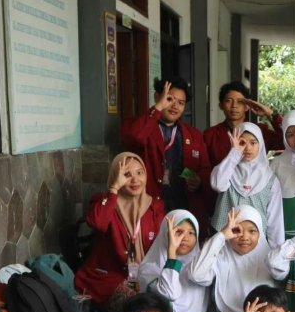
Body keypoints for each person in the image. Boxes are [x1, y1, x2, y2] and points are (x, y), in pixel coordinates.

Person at [76, 154, 166, 312]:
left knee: (167, 300)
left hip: (145, 274)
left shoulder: (155, 206)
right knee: (142, 307)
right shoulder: (104, 201)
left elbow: (160, 244)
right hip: (110, 277)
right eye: (127, 174)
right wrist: (114, 188)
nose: (135, 179)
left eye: (140, 172)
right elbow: (98, 223)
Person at [120, 77, 212, 221]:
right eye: (169, 99)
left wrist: (198, 179)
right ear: (157, 97)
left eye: (181, 103)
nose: (175, 106)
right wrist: (157, 108)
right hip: (149, 202)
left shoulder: (193, 134)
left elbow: (205, 168)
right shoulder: (139, 124)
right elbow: (134, 139)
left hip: (183, 202)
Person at [188, 205, 277, 312]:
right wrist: (221, 236)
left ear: (260, 233)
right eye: (236, 230)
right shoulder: (220, 258)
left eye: (252, 231)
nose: (244, 237)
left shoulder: (271, 261)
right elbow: (196, 275)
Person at [136, 210, 210, 312]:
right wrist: (171, 252)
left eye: (191, 233)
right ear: (166, 233)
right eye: (178, 231)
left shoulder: (200, 268)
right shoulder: (149, 268)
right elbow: (171, 293)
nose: (185, 238)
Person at [210, 122, 285, 247]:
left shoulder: (270, 179)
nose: (248, 148)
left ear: (260, 144)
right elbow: (217, 185)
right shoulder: (227, 170)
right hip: (225, 241)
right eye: (242, 143)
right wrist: (234, 153)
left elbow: (275, 220)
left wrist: (276, 251)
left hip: (255, 243)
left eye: (253, 143)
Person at [204, 81, 284, 167]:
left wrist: (271, 114)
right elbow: (205, 166)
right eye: (229, 101)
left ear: (247, 106)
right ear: (221, 105)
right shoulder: (210, 134)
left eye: (240, 101)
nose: (234, 106)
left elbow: (287, 141)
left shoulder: (259, 131)